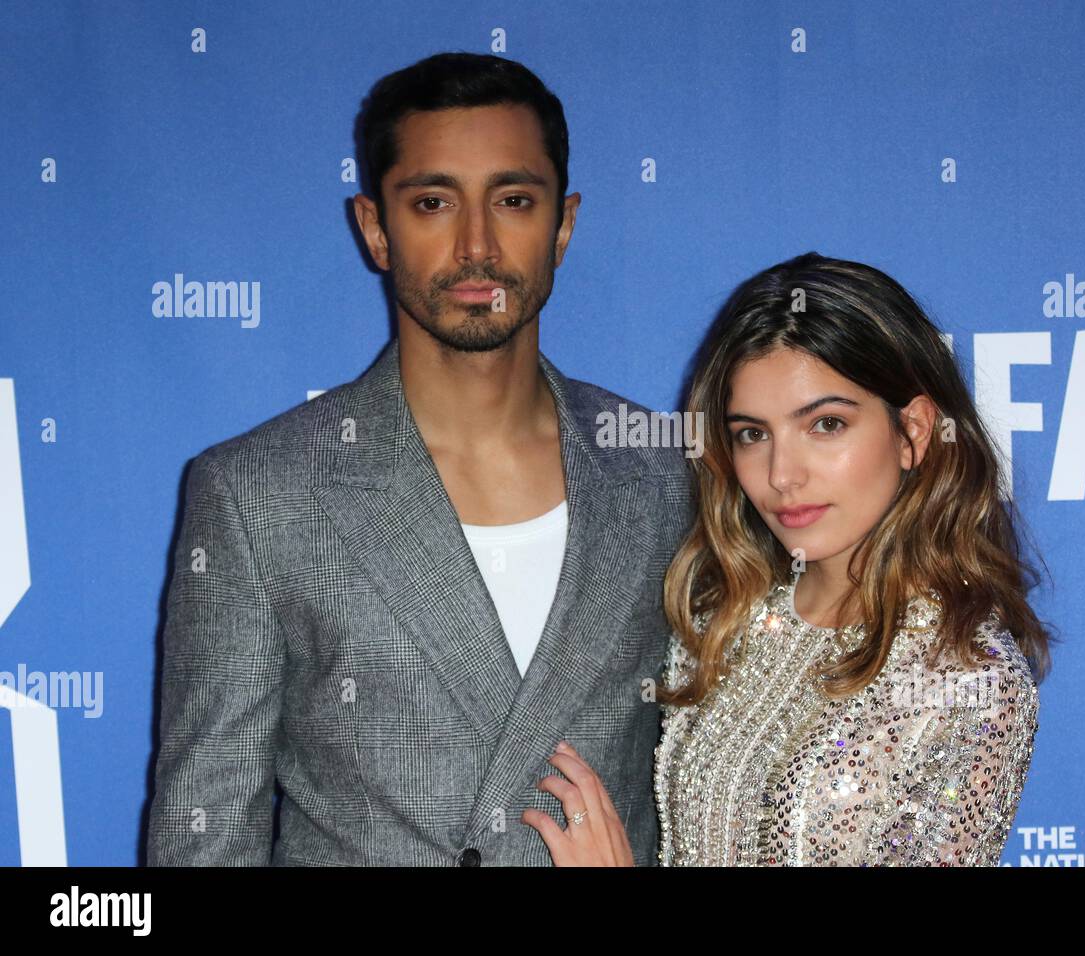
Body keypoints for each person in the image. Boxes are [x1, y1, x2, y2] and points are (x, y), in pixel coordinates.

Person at [146, 52, 692, 866]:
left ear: (564, 225)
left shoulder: (665, 475)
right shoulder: (255, 494)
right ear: (375, 228)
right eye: (433, 203)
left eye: (513, 200)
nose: (476, 246)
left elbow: (717, 789)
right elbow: (205, 828)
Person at [526, 252, 1055, 866]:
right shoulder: (726, 619)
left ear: (913, 432)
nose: (782, 475)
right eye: (753, 434)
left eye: (825, 425)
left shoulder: (969, 679)